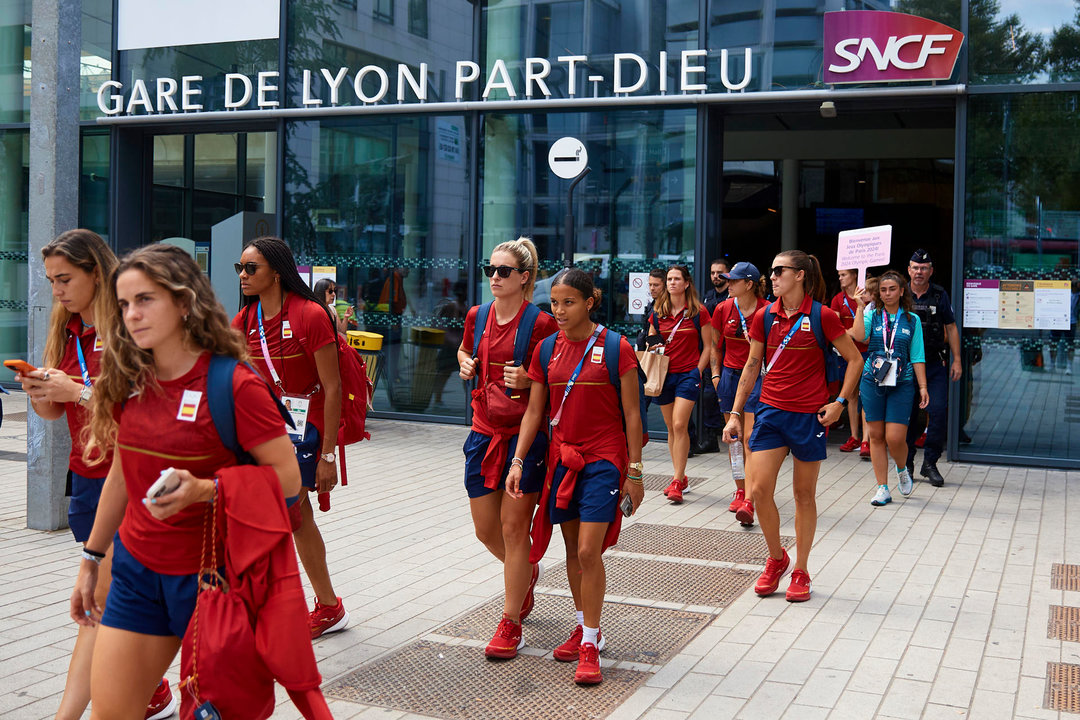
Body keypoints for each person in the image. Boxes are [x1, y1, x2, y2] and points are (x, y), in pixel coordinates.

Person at [70, 244, 302, 718]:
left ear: (183, 301)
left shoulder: (234, 384)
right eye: (123, 304)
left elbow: (288, 480)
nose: (131, 315)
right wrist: (93, 557)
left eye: (145, 299)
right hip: (137, 573)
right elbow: (121, 473)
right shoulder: (128, 378)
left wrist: (207, 489)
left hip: (215, 582)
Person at [14, 231, 178, 720]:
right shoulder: (66, 328)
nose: (57, 290)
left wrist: (78, 392)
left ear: (96, 271)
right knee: (113, 604)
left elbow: (149, 410)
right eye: (51, 281)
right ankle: (147, 689)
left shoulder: (131, 327)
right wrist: (43, 396)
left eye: (65, 279)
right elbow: (55, 418)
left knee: (99, 605)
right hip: (87, 481)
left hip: (135, 483)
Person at [509, 267, 644, 685]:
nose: (560, 310)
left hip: (604, 459)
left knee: (589, 550)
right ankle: (590, 627)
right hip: (562, 460)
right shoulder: (546, 349)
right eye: (554, 302)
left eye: (568, 302)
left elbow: (634, 413)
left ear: (589, 302)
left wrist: (635, 472)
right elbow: (534, 411)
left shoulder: (617, 347)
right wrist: (517, 461)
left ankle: (588, 643)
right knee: (571, 550)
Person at [723, 250, 862, 602]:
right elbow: (752, 365)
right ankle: (776, 558)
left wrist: (840, 404)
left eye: (779, 270)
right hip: (770, 411)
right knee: (758, 491)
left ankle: (801, 568)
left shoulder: (823, 315)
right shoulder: (765, 316)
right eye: (771, 270)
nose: (773, 276)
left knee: (803, 495)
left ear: (799, 275)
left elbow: (854, 359)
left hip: (808, 417)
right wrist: (736, 413)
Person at [233, 236, 349, 638]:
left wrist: (328, 455)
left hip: (309, 426)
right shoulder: (244, 320)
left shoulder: (310, 315)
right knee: (296, 517)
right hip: (268, 428)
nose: (243, 276)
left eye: (252, 268)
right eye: (240, 269)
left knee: (282, 514)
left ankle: (275, 610)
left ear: (277, 273)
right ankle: (330, 606)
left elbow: (332, 387)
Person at [456, 237, 558, 660]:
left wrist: (531, 381)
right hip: (484, 432)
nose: (494, 277)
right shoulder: (477, 316)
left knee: (516, 530)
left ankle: (510, 620)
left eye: (503, 271)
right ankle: (526, 570)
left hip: (524, 436)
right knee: (485, 528)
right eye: (490, 270)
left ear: (525, 278)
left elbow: (558, 377)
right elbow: (465, 349)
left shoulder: (541, 324)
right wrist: (463, 362)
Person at [848, 270, 929, 507]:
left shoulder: (912, 320)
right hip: (872, 380)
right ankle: (882, 487)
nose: (887, 293)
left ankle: (902, 468)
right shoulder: (873, 315)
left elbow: (917, 356)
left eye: (892, 289)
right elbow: (860, 337)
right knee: (876, 435)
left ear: (902, 290)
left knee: (895, 438)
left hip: (902, 383)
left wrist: (922, 386)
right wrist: (860, 307)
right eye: (883, 290)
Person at [709, 262, 768, 526]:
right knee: (733, 438)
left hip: (756, 377)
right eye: (727, 280)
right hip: (730, 377)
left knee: (748, 438)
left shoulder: (767, 310)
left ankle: (751, 499)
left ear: (749, 284)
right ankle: (741, 489)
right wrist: (715, 375)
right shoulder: (723, 308)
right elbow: (714, 346)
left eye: (733, 281)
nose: (727, 284)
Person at [648, 266, 712, 503]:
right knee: (669, 426)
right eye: (669, 279)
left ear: (686, 283)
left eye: (677, 279)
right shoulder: (658, 311)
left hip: (688, 374)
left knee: (679, 423)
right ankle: (680, 476)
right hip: (664, 375)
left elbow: (708, 346)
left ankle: (676, 480)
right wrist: (653, 345)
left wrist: (698, 371)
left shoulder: (698, 312)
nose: (672, 282)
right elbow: (651, 339)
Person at [905, 249, 961, 487]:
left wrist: (957, 359)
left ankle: (930, 463)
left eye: (924, 268)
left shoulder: (939, 295)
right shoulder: (899, 293)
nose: (919, 272)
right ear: (908, 270)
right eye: (915, 268)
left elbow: (951, 327)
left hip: (934, 364)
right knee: (906, 415)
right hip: (906, 365)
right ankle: (905, 464)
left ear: (931, 271)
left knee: (937, 411)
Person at [832, 268, 870, 457]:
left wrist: (852, 333)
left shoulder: (867, 295)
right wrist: (853, 333)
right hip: (847, 353)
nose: (840, 278)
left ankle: (866, 441)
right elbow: (835, 329)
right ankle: (854, 436)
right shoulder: (837, 299)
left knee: (867, 395)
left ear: (855, 275)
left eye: (844, 274)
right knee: (852, 395)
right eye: (839, 275)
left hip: (867, 352)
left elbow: (868, 331)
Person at [697, 258, 732, 454]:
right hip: (711, 353)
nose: (716, 276)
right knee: (709, 395)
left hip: (731, 353)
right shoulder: (707, 298)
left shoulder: (733, 297)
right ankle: (711, 437)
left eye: (720, 272)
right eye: (712, 273)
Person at [634, 268, 667, 351]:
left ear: (665, 286)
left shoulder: (668, 308)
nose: (652, 288)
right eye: (650, 285)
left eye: (656, 285)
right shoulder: (651, 306)